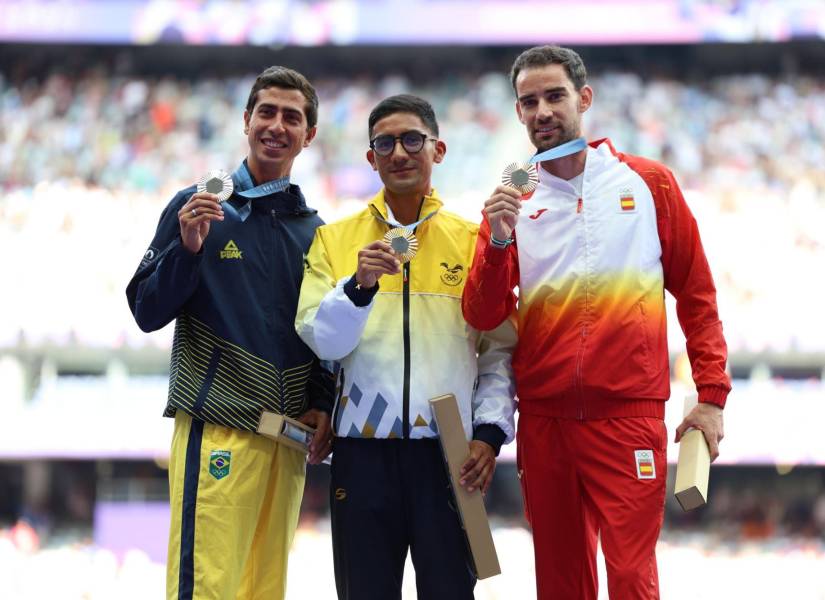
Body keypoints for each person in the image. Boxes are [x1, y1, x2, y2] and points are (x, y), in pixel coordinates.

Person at [461, 45, 732, 600]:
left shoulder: (647, 183)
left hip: (627, 415)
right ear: (517, 113)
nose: (542, 111)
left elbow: (697, 295)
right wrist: (497, 241)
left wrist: (711, 395)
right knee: (561, 583)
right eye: (528, 101)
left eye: (555, 96)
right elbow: (483, 314)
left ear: (583, 99)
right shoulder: (513, 199)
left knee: (632, 578)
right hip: (545, 421)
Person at [295, 94, 517, 600]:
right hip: (362, 452)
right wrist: (358, 287)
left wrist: (488, 433)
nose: (399, 152)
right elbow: (319, 338)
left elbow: (499, 349)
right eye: (385, 143)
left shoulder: (473, 240)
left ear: (437, 150)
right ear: (370, 158)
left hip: (450, 454)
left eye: (412, 139)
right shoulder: (335, 240)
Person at [126, 66, 334, 600]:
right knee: (207, 589)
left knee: (263, 590)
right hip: (219, 427)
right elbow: (147, 310)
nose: (276, 125)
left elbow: (316, 335)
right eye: (266, 111)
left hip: (285, 442)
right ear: (246, 120)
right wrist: (188, 249)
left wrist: (321, 401)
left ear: (309, 135)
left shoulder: (314, 231)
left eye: (292, 117)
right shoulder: (197, 206)